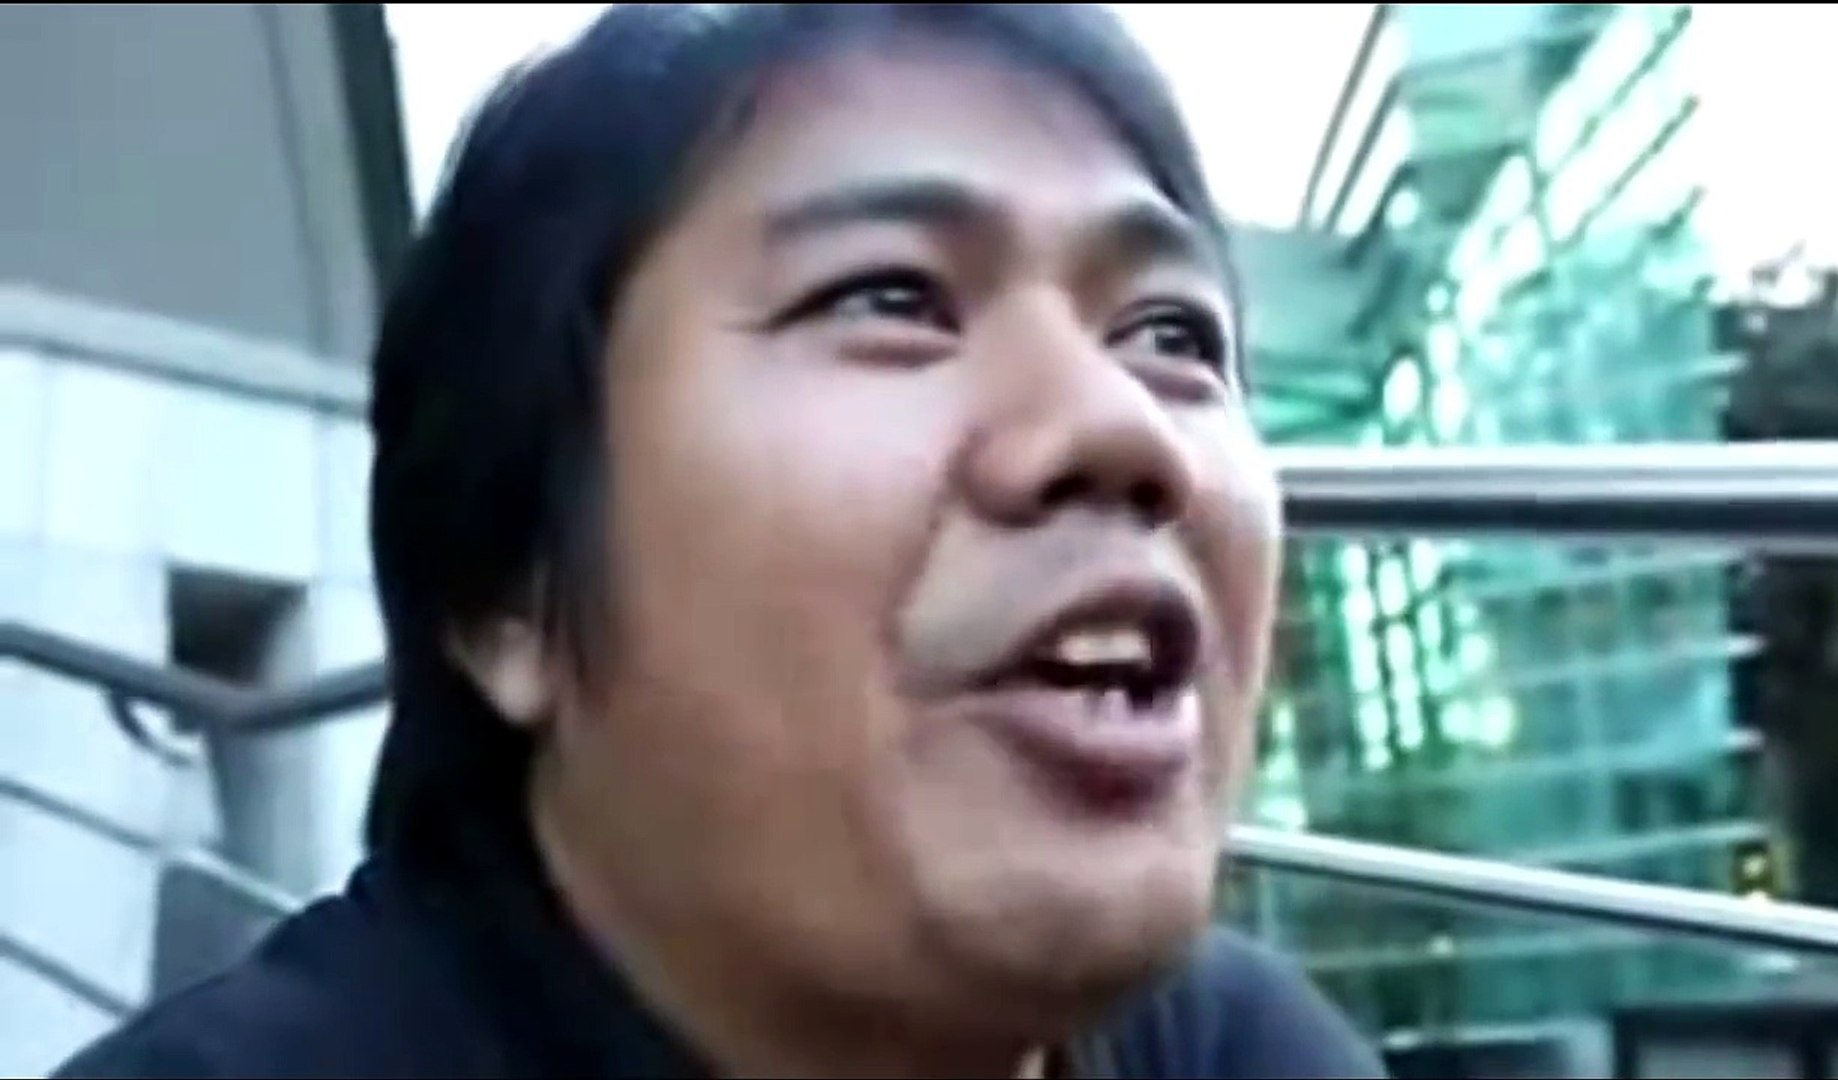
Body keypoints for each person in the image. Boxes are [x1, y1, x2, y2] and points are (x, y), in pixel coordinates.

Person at [56, 4, 1385, 1077]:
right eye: (892, 296)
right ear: (509, 581)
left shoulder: (1246, 1051)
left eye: (1171, 334)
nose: (1121, 427)